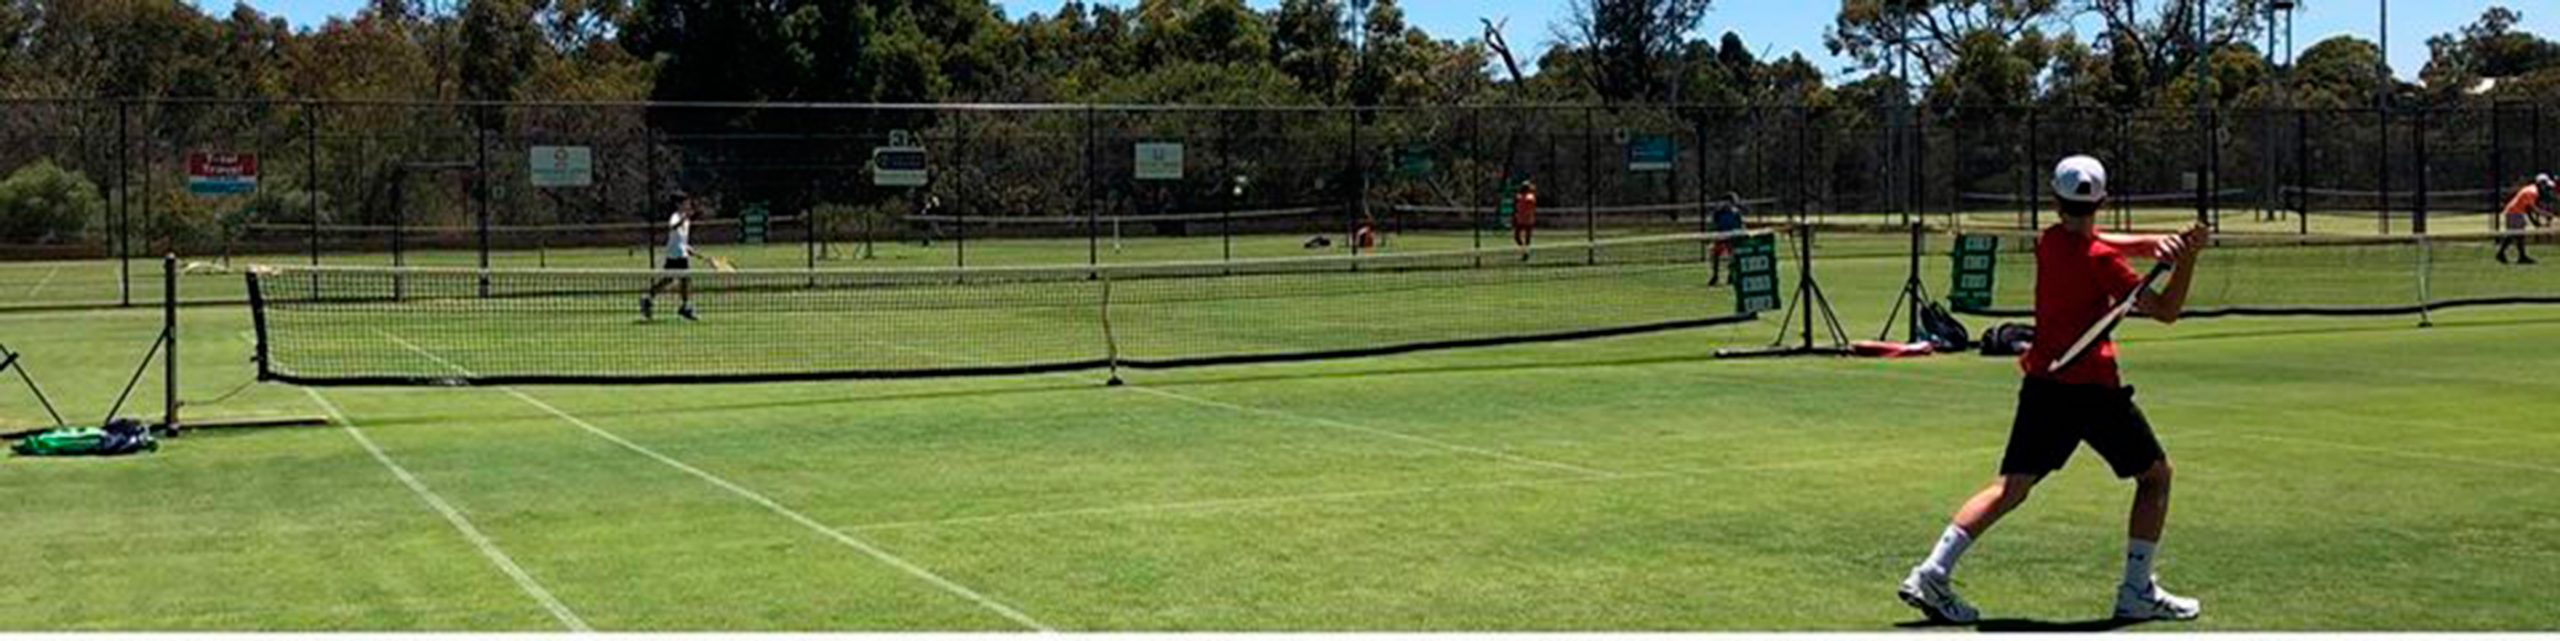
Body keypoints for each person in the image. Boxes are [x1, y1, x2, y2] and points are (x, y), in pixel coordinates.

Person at [1896, 155, 2211, 625]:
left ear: (2055, 201)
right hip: (2094, 392)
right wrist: (2187, 259)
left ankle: (1932, 572)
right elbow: (2166, 310)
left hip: (2043, 385)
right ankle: (2136, 590)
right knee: (2156, 477)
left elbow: (2096, 240)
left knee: (2009, 488)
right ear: (2103, 201)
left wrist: (2155, 244)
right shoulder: (2104, 262)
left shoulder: (2049, 241)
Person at [642, 192, 703, 321]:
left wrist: (688, 248)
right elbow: (673, 227)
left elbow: (680, 238)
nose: (688, 205)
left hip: (681, 253)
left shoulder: (686, 220)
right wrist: (684, 218)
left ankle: (649, 298)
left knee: (672, 279)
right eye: (685, 203)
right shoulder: (675, 216)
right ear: (678, 204)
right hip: (675, 254)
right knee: (682, 279)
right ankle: (684, 307)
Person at [2496, 174, 2554, 265]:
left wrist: (2534, 221)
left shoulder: (2532, 190)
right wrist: (2547, 215)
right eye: (2545, 185)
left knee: (2518, 235)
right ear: (2540, 184)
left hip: (2517, 212)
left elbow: (2528, 208)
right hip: (2514, 212)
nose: (2546, 188)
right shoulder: (2532, 192)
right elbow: (2533, 209)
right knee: (2514, 234)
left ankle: (2519, 256)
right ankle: (2504, 254)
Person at [1708, 192, 1748, 286]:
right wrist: (1715, 232)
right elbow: (1714, 224)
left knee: (1732, 257)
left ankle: (1731, 275)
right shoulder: (1718, 213)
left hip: (1732, 238)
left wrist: (1741, 233)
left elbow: (1740, 225)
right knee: (1715, 255)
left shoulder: (1736, 213)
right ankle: (1715, 276)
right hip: (1721, 237)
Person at [1512, 180, 1538, 259]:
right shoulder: (1523, 197)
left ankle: (1525, 251)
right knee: (1519, 237)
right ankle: (1524, 251)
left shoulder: (1528, 197)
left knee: (1523, 237)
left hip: (1526, 219)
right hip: (1523, 219)